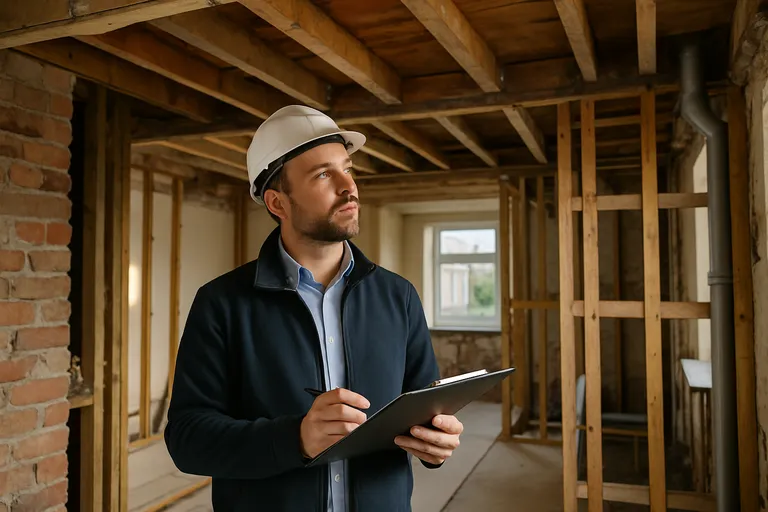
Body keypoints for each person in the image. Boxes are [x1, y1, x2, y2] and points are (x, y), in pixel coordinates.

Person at [164, 105, 464, 511]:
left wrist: (437, 441)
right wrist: (297, 439)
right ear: (278, 203)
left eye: (347, 169)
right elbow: (188, 440)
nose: (348, 186)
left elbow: (425, 408)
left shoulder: (399, 296)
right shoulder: (222, 304)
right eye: (323, 174)